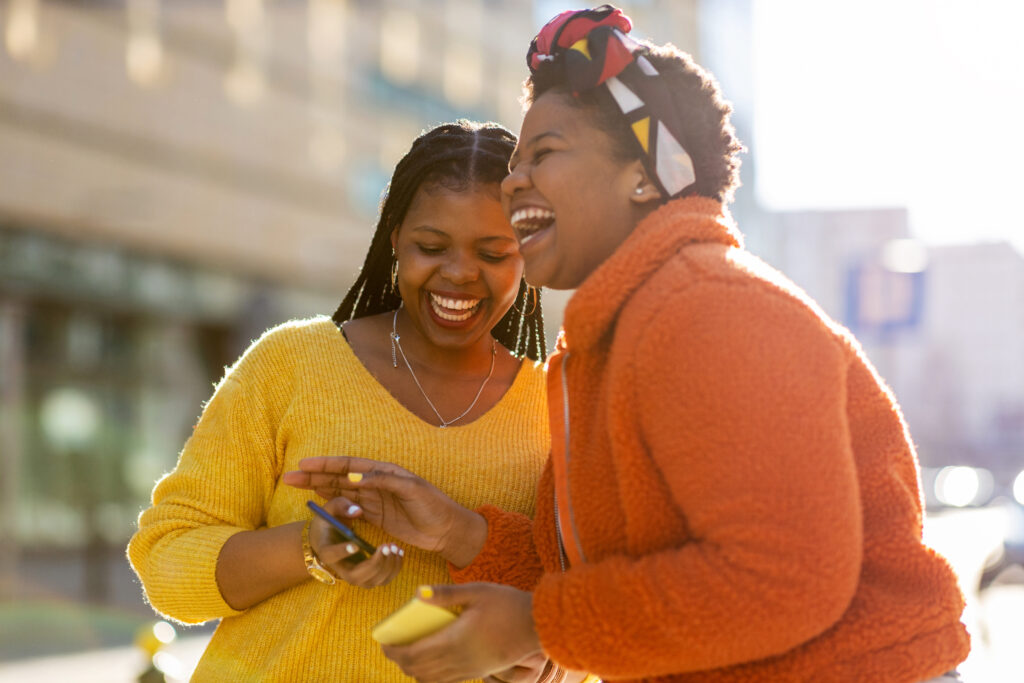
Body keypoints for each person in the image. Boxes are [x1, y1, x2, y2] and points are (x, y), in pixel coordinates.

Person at [286, 6, 972, 682]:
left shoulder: (710, 308)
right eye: (515, 162)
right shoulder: (606, 345)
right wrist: (457, 532)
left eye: (545, 153)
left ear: (648, 173)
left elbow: (783, 577)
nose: (512, 179)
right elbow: (612, 582)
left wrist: (533, 625)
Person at [127, 120, 551, 682]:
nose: (458, 273)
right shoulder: (289, 365)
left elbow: (589, 609)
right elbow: (166, 563)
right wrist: (308, 547)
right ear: (394, 236)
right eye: (431, 246)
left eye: (494, 253)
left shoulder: (559, 408)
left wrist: (551, 664)